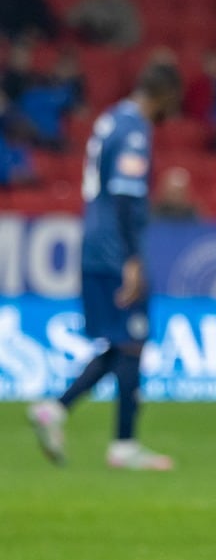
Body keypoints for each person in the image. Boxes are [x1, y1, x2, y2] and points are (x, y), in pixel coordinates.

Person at [28, 61, 184, 471]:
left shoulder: (110, 119)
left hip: (93, 242)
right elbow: (127, 196)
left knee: (121, 343)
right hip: (115, 250)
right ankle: (123, 444)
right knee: (132, 339)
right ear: (165, 94)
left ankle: (57, 410)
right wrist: (132, 258)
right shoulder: (135, 130)